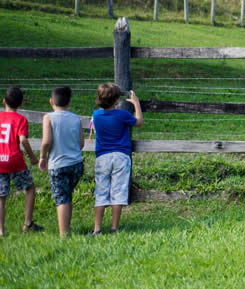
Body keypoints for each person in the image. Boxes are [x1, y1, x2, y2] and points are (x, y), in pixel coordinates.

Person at [90, 83, 143, 236]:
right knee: (118, 191)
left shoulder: (96, 115)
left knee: (101, 192)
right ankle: (114, 228)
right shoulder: (123, 115)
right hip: (121, 156)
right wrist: (136, 104)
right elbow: (138, 121)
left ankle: (97, 229)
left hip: (102, 157)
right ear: (117, 100)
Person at [39, 86, 85, 236]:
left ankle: (64, 234)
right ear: (69, 102)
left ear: (51, 101)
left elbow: (46, 141)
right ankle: (67, 227)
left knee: (62, 199)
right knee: (67, 196)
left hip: (58, 165)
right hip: (76, 164)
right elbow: (81, 143)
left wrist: (42, 157)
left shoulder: (48, 118)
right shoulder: (76, 118)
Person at [0, 86, 42, 235]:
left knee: (1, 196)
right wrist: (32, 156)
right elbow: (23, 139)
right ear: (21, 104)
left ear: (4, 101)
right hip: (14, 160)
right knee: (29, 187)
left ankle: (1, 230)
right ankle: (28, 224)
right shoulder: (21, 119)